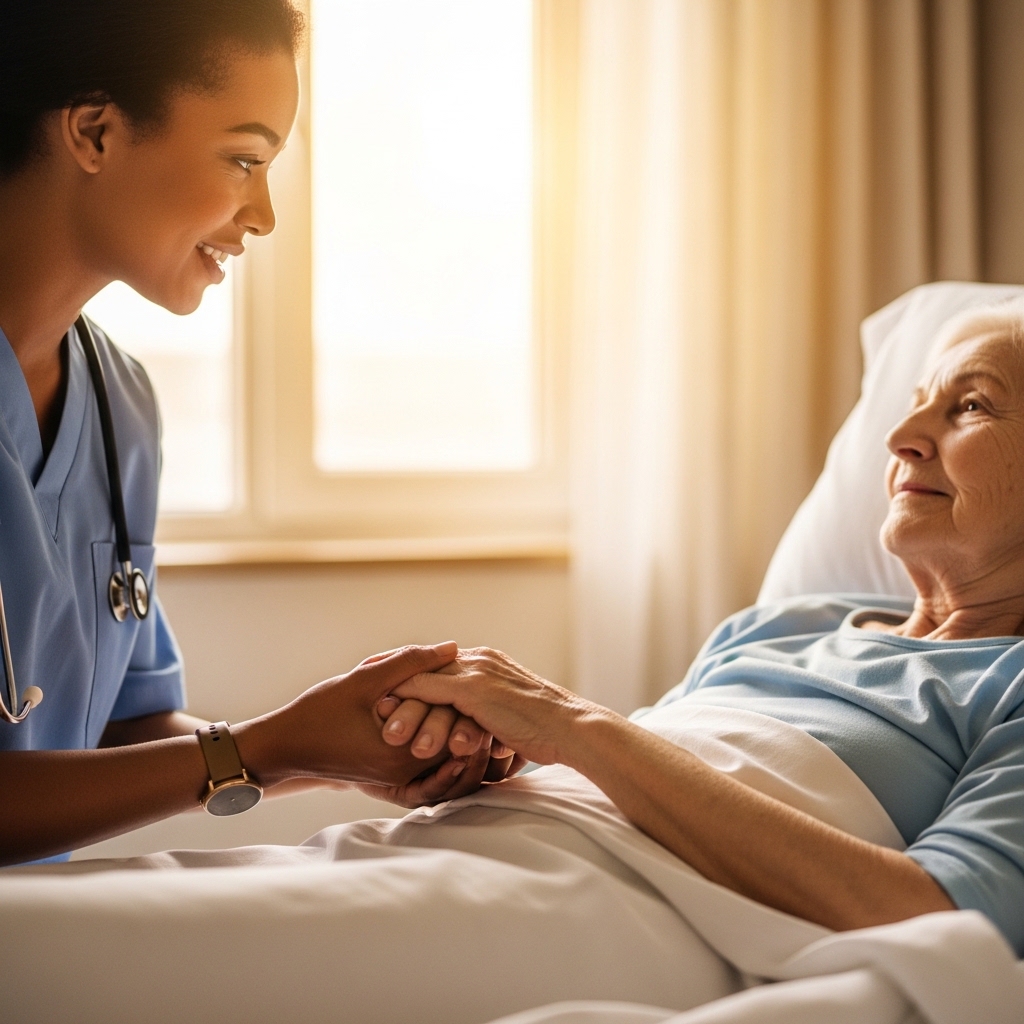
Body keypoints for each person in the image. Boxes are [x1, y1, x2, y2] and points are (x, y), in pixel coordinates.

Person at [0, 0, 514, 867]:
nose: (264, 215)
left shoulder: (120, 404)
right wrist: (269, 747)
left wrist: (333, 749)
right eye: (244, 159)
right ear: (93, 132)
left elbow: (126, 724)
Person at [383, 305, 1024, 956]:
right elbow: (639, 781)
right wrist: (486, 759)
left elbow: (948, 917)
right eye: (917, 402)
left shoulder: (1011, 685)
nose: (902, 435)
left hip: (567, 914)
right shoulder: (780, 624)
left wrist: (570, 727)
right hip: (457, 852)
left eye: (971, 405)